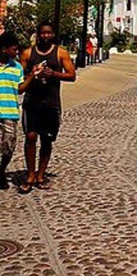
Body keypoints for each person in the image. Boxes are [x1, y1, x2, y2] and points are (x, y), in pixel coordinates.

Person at [19, 21, 77, 193]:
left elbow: (72, 75)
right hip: (32, 102)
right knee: (30, 137)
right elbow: (19, 77)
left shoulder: (60, 52)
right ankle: (30, 174)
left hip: (51, 102)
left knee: (47, 139)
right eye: (43, 33)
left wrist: (54, 74)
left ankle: (41, 174)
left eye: (49, 33)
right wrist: (32, 74)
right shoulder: (28, 53)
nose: (45, 36)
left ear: (53, 34)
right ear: (38, 34)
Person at [0, 32, 37, 190]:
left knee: (9, 146)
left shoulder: (16, 68)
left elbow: (20, 89)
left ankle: (0, 170)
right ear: (3, 49)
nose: (16, 52)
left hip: (9, 112)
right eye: (13, 49)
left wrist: (32, 76)